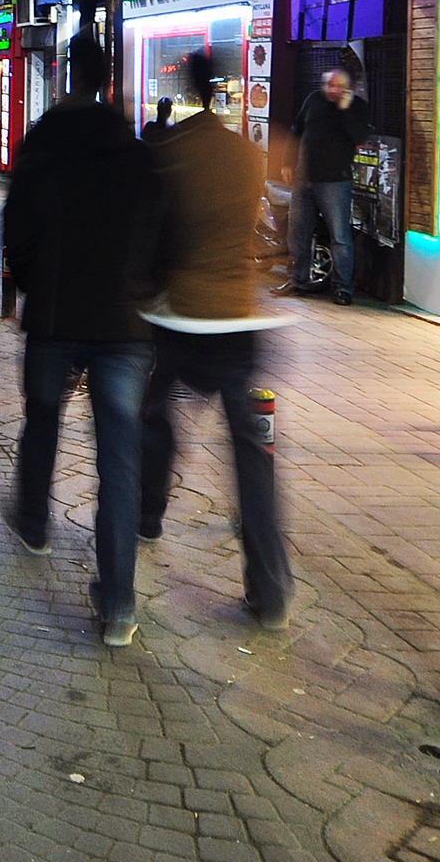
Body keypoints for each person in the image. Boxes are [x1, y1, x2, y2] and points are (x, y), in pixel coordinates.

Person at [1, 32, 164, 648]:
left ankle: (35, 522)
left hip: (55, 317)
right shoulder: (134, 147)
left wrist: (32, 283)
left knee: (42, 418)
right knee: (119, 457)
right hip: (123, 327)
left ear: (69, 72)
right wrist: (145, 291)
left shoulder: (44, 140)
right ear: (110, 77)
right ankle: (118, 605)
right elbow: (163, 228)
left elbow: (15, 225)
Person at [142, 47, 295, 628]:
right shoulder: (247, 155)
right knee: (253, 458)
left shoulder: (173, 155)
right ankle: (270, 587)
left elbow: (161, 237)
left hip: (182, 318)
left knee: (154, 416)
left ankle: (148, 513)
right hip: (240, 321)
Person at [282, 65, 370, 303]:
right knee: (298, 232)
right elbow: (297, 129)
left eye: (337, 86)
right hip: (305, 178)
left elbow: (359, 136)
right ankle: (297, 280)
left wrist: (344, 109)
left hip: (335, 181)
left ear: (347, 89)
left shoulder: (356, 107)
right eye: (329, 85)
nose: (332, 90)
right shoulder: (313, 100)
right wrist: (288, 163)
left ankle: (343, 288)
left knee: (340, 236)